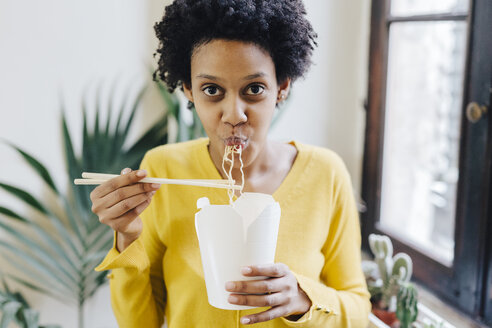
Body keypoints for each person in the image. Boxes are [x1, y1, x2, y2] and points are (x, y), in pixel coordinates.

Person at [90, 0, 371, 327]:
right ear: (188, 91)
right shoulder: (162, 171)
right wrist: (127, 237)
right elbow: (140, 323)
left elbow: (358, 308)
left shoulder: (326, 174)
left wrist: (302, 298)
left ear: (281, 88)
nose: (235, 114)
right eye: (212, 90)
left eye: (254, 89)